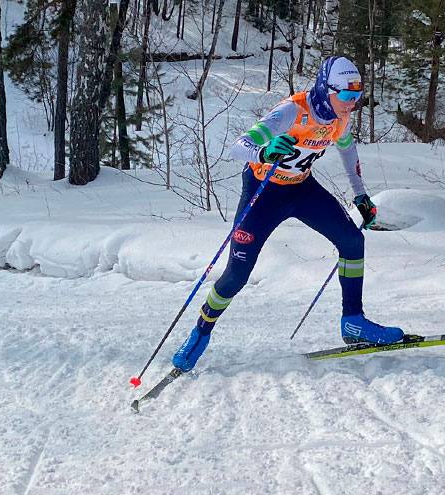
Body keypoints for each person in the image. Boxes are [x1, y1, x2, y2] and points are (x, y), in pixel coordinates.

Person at [171, 56, 404, 372]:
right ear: (327, 88)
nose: (352, 104)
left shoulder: (339, 117)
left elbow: (348, 150)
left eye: (357, 97)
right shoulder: (293, 110)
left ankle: (353, 321)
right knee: (237, 274)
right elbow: (237, 147)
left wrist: (360, 193)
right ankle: (201, 331)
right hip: (263, 192)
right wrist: (263, 152)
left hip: (301, 189)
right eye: (347, 96)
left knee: (352, 241)